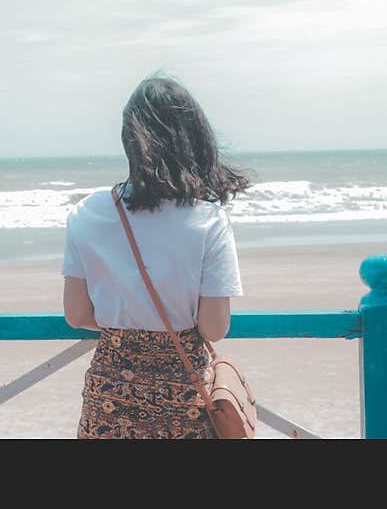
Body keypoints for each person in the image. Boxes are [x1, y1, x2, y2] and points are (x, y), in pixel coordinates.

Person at [61, 72, 251, 439]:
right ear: (194, 139)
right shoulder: (208, 220)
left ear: (129, 140)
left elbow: (77, 314)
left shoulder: (86, 213)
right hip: (184, 406)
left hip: (108, 405)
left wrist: (129, 327)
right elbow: (214, 327)